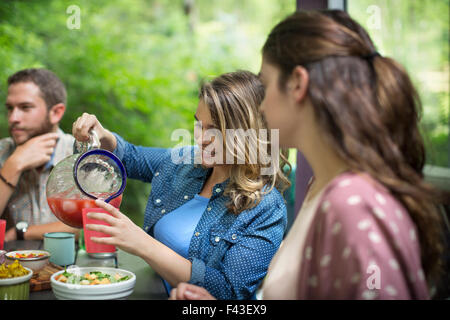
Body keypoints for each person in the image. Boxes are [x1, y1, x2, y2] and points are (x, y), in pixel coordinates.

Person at [170, 10, 449, 300]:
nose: (260, 107)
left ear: (298, 84)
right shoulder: (321, 185)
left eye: (265, 86)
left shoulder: (353, 202)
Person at [72, 70, 291, 299]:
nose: (202, 138)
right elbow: (131, 157)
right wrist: (103, 135)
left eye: (215, 129)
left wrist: (142, 243)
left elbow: (229, 292)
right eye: (200, 124)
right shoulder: (186, 163)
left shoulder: (266, 207)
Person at [0, 68, 78, 241]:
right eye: (10, 108)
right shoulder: (2, 152)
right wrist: (14, 165)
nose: (13, 118)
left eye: (25, 107)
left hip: (71, 266)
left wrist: (20, 233)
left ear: (56, 113)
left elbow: (91, 224)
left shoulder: (79, 156)